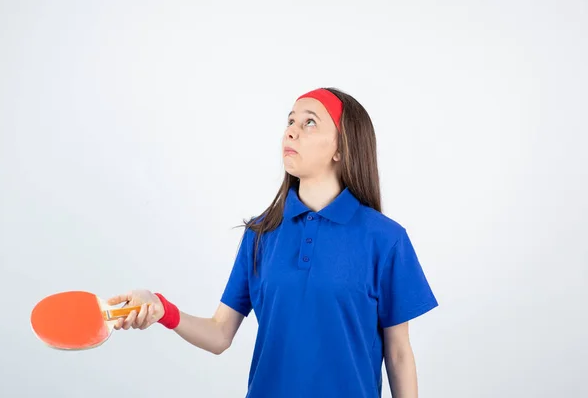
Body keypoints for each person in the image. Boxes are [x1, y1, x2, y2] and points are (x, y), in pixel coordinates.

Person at [107, 87, 438, 397]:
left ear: (341, 147)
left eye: (310, 122)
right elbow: (220, 334)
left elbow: (398, 354)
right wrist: (163, 309)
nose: (291, 130)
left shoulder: (385, 239)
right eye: (290, 120)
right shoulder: (260, 234)